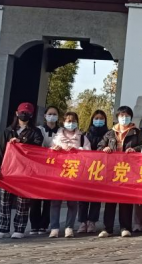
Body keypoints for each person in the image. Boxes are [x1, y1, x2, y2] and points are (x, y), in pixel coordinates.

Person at [97, 106, 142, 238]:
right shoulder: (110, 133)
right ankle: (107, 228)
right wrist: (104, 149)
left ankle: (125, 227)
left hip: (129, 170)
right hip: (112, 170)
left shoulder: (136, 132)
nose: (124, 118)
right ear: (117, 117)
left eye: (127, 116)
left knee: (126, 200)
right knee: (110, 200)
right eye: (122, 116)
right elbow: (100, 146)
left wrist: (135, 149)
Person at [0, 102, 43, 239]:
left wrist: (21, 142)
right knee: (4, 201)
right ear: (17, 113)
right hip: (8, 170)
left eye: (27, 112)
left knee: (23, 202)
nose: (24, 114)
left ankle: (19, 228)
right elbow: (2, 151)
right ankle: (3, 228)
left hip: (25, 171)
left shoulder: (35, 132)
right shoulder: (8, 131)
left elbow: (37, 148)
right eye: (22, 112)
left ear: (31, 115)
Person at [49, 112, 91, 238]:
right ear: (63, 122)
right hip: (58, 174)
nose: (71, 123)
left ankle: (69, 227)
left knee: (72, 203)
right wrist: (54, 150)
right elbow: (48, 153)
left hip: (74, 174)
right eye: (68, 121)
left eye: (73, 121)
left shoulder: (82, 138)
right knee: (55, 202)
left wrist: (79, 151)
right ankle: (54, 228)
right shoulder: (57, 137)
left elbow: (89, 154)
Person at [77, 109, 109, 235]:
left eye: (101, 119)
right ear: (92, 120)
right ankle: (82, 221)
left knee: (96, 197)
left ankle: (92, 221)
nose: (99, 121)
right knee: (83, 197)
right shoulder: (85, 134)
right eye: (96, 118)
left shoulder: (108, 134)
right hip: (85, 169)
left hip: (100, 169)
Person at [30, 105, 60, 235]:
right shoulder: (38, 129)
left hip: (55, 168)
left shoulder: (61, 131)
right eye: (50, 114)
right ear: (45, 115)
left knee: (49, 197)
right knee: (35, 196)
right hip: (39, 167)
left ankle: (44, 224)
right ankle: (34, 225)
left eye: (55, 114)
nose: (52, 116)